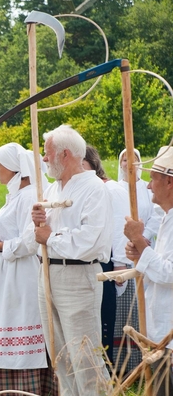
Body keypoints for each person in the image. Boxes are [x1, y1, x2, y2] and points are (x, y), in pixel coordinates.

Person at [24, 125, 117, 396]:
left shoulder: (94, 188)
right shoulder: (53, 188)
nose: (44, 158)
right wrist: (39, 223)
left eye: (48, 152)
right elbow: (41, 234)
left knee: (85, 359)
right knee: (61, 358)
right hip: (47, 272)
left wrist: (50, 236)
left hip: (78, 276)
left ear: (65, 154)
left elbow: (90, 240)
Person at [0, 143, 56, 396]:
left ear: (14, 166)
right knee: (4, 321)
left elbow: (28, 241)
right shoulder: (16, 195)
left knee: (20, 320)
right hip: (4, 274)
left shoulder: (29, 196)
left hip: (21, 274)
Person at [124, 145, 173, 396]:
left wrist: (141, 244)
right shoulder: (167, 217)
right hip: (162, 332)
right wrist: (141, 252)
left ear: (169, 182)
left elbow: (170, 272)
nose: (147, 184)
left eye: (153, 177)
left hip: (170, 333)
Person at [115, 148, 163, 373]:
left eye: (134, 160)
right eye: (125, 159)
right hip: (123, 253)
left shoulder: (147, 191)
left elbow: (156, 217)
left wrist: (141, 238)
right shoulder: (114, 189)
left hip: (144, 248)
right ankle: (122, 364)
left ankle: (142, 362)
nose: (129, 164)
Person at [82, 146, 129, 370]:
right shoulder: (83, 190)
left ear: (89, 164)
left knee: (104, 319)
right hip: (88, 262)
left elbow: (121, 227)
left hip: (108, 261)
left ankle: (106, 373)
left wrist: (119, 265)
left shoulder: (111, 189)